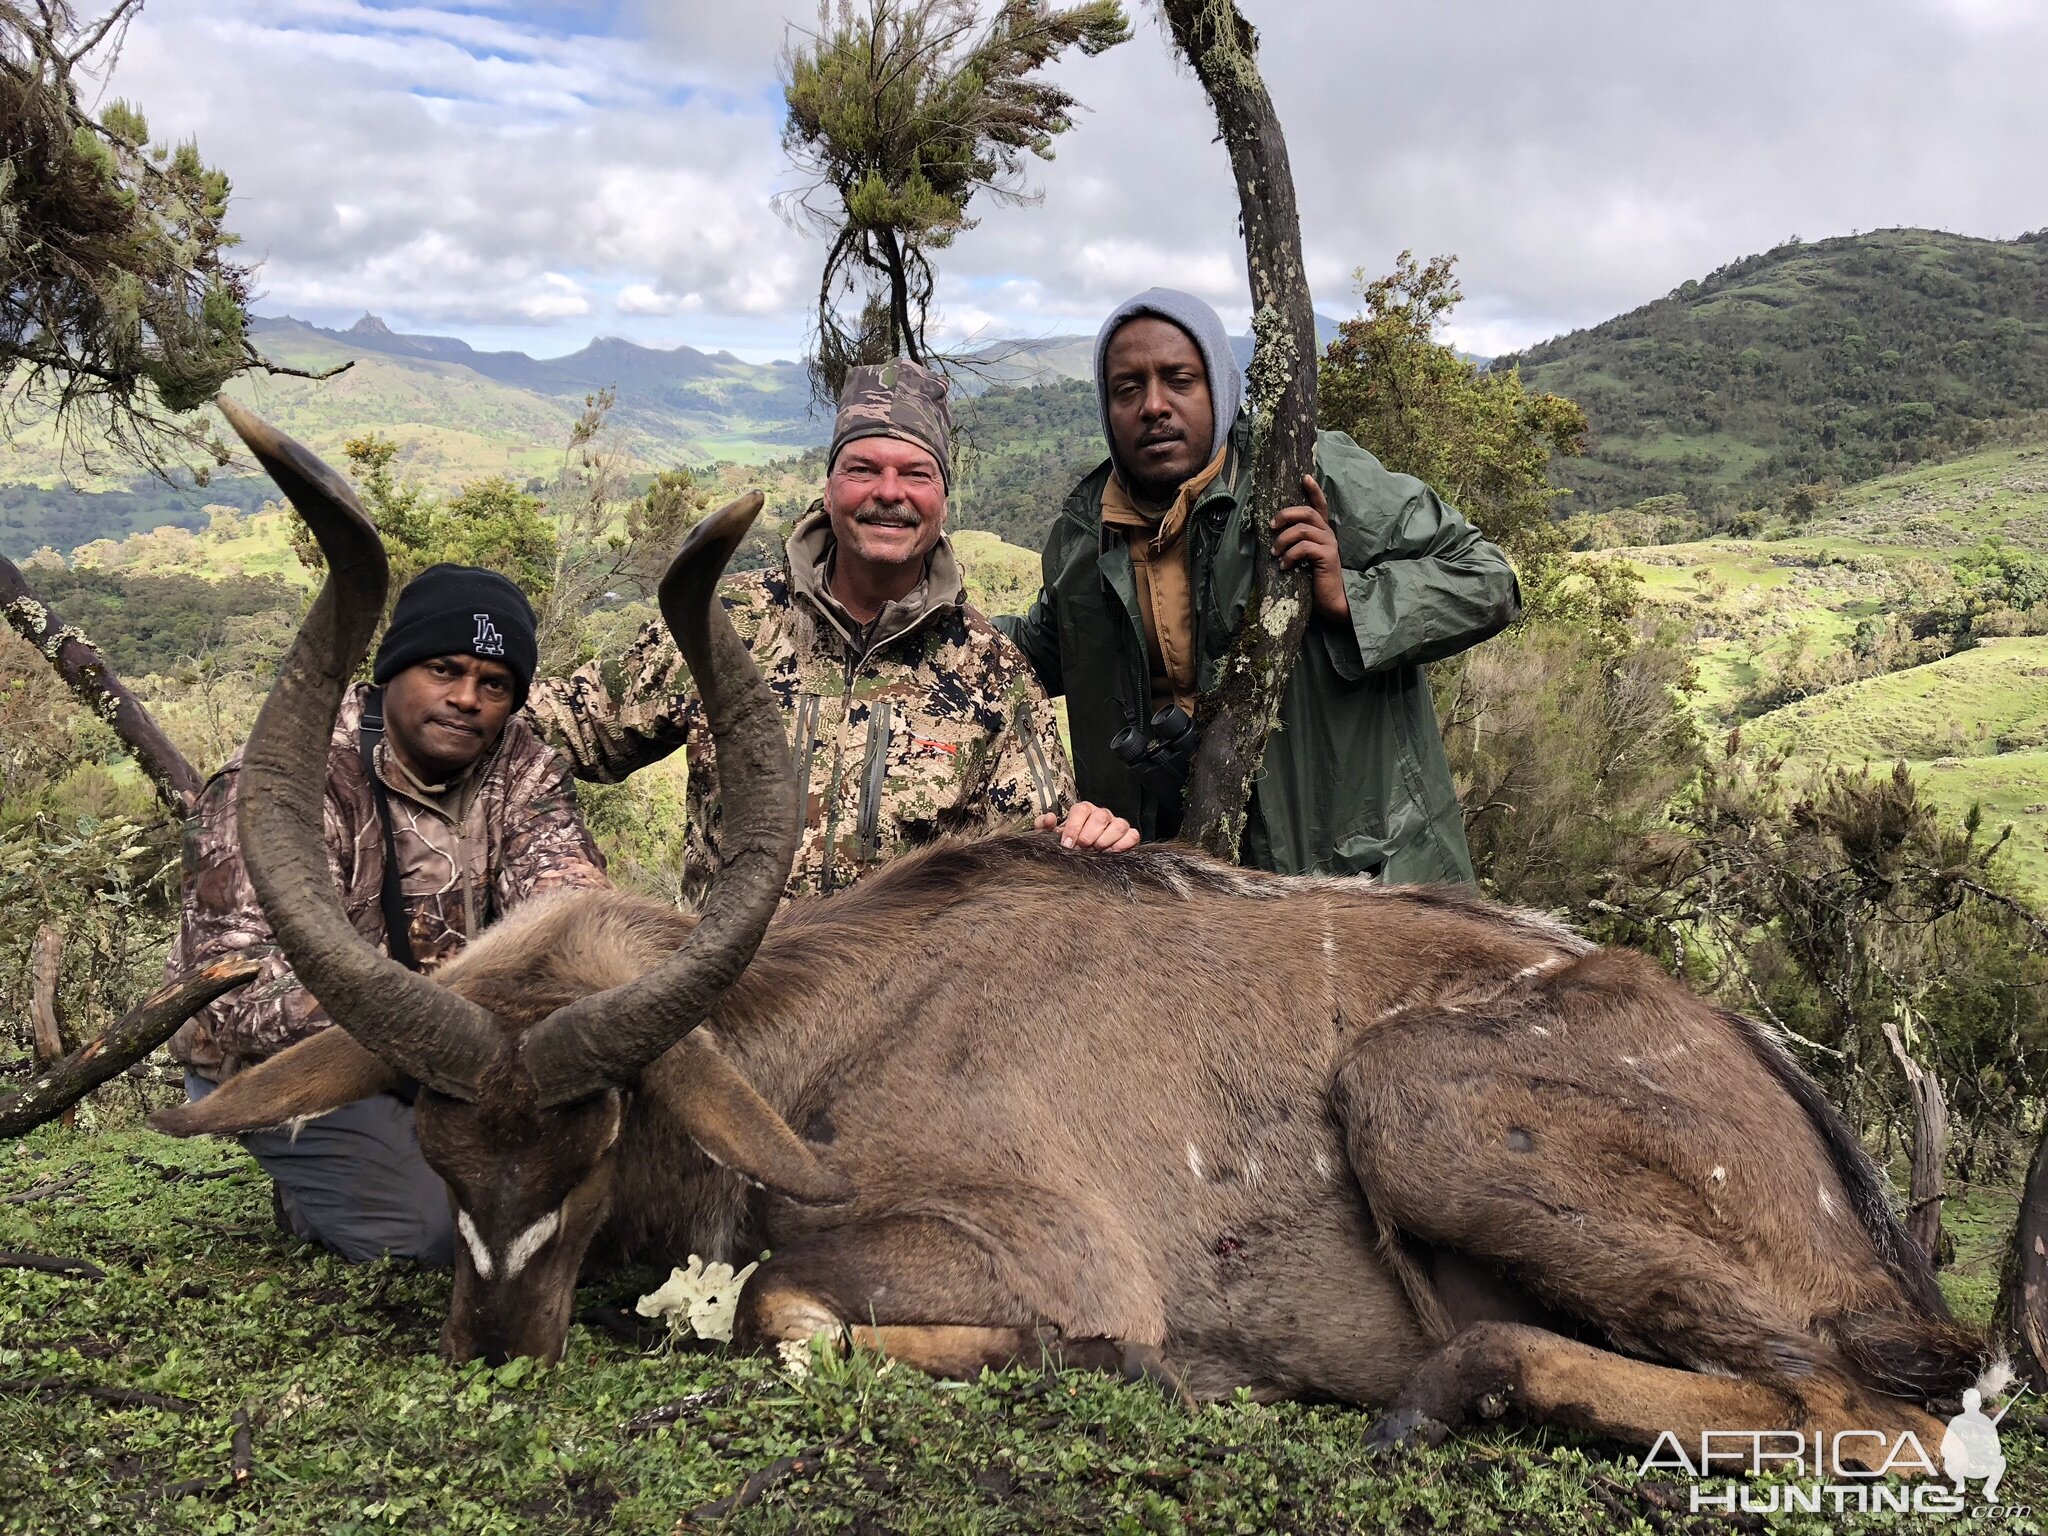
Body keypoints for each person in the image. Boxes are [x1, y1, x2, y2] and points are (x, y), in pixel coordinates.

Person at [530, 359, 1135, 900]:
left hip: (894, 1011)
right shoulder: (729, 623)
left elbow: (1036, 866)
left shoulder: (994, 675)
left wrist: (1088, 840)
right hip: (729, 1004)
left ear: (943, 498)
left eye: (916, 474)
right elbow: (562, 728)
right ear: (828, 486)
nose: (889, 493)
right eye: (863, 468)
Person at [999, 288, 1520, 883]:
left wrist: (1350, 597)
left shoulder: (1302, 474)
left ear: (1219, 387)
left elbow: (1486, 577)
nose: (1153, 406)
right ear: (1105, 406)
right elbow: (1035, 650)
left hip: (1360, 882)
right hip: (1182, 897)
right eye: (1127, 389)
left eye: (1179, 380)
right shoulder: (1085, 535)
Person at [168, 565, 609, 1264]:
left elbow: (574, 915)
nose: (467, 699)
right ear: (393, 670)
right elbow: (238, 988)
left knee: (596, 1205)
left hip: (471, 1064)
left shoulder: (523, 770)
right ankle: (312, 1192)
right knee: (443, 1234)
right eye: (444, 669)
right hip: (294, 1061)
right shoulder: (281, 782)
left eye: (494, 685)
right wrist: (430, 1031)